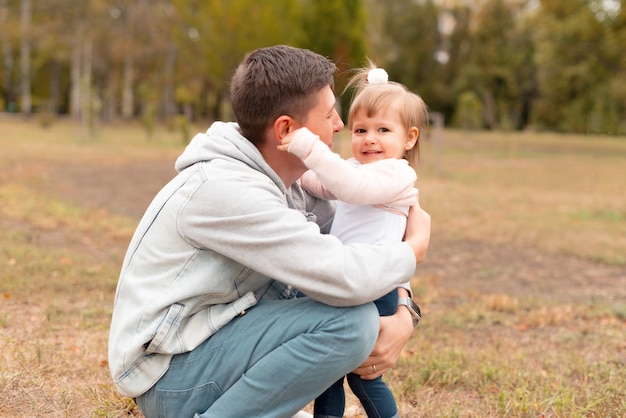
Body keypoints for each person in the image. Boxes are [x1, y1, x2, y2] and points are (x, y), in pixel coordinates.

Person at [107, 45, 431, 418]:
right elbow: (344, 275)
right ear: (286, 130)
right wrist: (413, 252)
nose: (340, 126)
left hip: (211, 338)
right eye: (329, 116)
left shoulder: (287, 175)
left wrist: (404, 308)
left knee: (345, 309)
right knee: (351, 324)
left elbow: (362, 242)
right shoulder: (227, 190)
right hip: (169, 377)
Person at [279, 64, 428, 418]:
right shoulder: (355, 170)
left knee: (363, 377)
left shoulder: (397, 174)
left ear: (409, 139)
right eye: (360, 130)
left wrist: (307, 146)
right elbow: (321, 183)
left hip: (376, 284)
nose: (368, 139)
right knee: (328, 370)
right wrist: (291, 170)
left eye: (382, 130)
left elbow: (352, 188)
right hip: (346, 278)